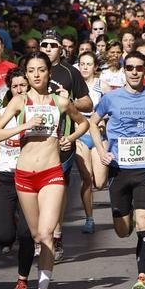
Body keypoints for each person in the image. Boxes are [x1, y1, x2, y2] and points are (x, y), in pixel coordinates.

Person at [0, 51, 88, 289]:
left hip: (51, 173)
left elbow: (84, 122)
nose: (36, 75)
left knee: (46, 235)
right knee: (36, 235)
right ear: (26, 74)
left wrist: (71, 137)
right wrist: (24, 125)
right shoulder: (19, 102)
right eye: (32, 70)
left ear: (49, 73)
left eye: (41, 70)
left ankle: (42, 288)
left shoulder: (61, 102)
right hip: (24, 174)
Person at [89, 51, 145, 289]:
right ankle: (123, 217)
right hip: (119, 170)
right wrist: (100, 150)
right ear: (124, 69)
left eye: (140, 68)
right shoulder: (112, 98)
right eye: (130, 68)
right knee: (122, 230)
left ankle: (142, 277)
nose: (135, 72)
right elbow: (92, 122)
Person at [39, 29, 92, 262]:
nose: (48, 49)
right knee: (36, 191)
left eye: (52, 45)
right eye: (44, 45)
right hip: (34, 141)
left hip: (63, 140)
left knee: (56, 190)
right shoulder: (32, 68)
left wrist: (70, 100)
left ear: (61, 48)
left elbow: (88, 103)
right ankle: (41, 233)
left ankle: (55, 235)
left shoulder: (70, 72)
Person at [0, 68, 35, 289]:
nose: (19, 90)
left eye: (23, 85)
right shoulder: (2, 114)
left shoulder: (37, 113)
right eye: (15, 86)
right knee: (5, 236)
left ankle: (22, 280)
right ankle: (10, 221)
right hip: (3, 179)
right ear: (9, 89)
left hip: (28, 178)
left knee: (26, 234)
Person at [75, 52, 108, 234]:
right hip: (80, 137)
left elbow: (113, 108)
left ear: (95, 67)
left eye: (89, 64)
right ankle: (89, 218)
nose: (85, 67)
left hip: (99, 137)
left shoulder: (102, 86)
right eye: (82, 64)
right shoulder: (73, 86)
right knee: (86, 178)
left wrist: (104, 119)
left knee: (100, 183)